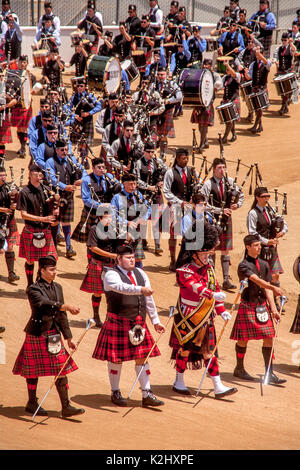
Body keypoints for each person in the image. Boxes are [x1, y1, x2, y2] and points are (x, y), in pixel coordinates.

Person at [169, 222, 238, 398]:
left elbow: (214, 289)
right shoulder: (184, 270)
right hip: (189, 317)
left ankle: (218, 385)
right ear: (194, 253)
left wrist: (221, 310)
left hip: (206, 317)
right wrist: (211, 295)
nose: (208, 255)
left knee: (209, 351)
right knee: (184, 350)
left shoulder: (210, 269)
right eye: (205, 252)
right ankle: (179, 381)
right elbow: (194, 287)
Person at [92, 243, 165, 407]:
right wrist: (140, 289)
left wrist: (156, 321)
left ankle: (147, 393)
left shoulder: (140, 273)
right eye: (128, 258)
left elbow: (149, 299)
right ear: (119, 259)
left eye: (133, 257)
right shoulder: (110, 274)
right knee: (116, 359)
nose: (132, 260)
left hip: (139, 323)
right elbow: (121, 287)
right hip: (119, 321)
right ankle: (115, 391)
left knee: (143, 358)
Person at [12, 255, 85, 418]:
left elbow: (61, 316)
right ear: (42, 270)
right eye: (51, 270)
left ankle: (66, 407)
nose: (54, 273)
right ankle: (31, 403)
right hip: (37, 333)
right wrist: (64, 306)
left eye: (55, 269)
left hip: (53, 334)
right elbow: (43, 303)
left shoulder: (58, 287)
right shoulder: (33, 289)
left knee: (61, 367)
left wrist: (69, 338)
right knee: (32, 371)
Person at [230, 234, 286, 385]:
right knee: (243, 340)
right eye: (256, 245)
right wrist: (274, 287)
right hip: (248, 305)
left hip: (262, 306)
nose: (259, 247)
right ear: (248, 247)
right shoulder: (243, 265)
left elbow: (266, 288)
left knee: (269, 337)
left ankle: (270, 372)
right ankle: (239, 368)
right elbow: (257, 281)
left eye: (260, 245)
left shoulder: (264, 264)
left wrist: (273, 309)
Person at [200, 157, 244, 291]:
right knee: (212, 249)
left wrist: (237, 204)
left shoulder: (230, 182)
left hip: (226, 220)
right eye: (219, 168)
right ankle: (211, 279)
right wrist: (220, 210)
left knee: (225, 250)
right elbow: (203, 204)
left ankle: (225, 280)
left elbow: (240, 195)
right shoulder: (208, 184)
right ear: (213, 169)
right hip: (212, 219)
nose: (222, 170)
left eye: (224, 167)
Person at [247, 186, 288, 311]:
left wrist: (283, 231)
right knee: (262, 277)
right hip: (258, 249)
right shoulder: (253, 213)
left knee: (275, 275)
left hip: (271, 249)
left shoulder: (270, 211)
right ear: (257, 198)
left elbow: (283, 222)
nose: (266, 199)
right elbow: (252, 232)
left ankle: (276, 300)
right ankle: (264, 300)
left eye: (268, 196)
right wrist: (266, 241)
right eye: (264, 197)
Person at [17, 163, 58, 288]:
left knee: (47, 259)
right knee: (30, 260)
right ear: (30, 175)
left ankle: (40, 281)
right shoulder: (24, 192)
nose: (38, 177)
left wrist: (56, 209)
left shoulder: (47, 190)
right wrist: (42, 219)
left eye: (40, 174)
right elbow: (23, 215)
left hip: (45, 230)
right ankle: (30, 284)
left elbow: (53, 208)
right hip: (31, 229)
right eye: (35, 174)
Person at [45, 138, 87, 258]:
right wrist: (65, 187)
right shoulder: (50, 162)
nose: (65, 152)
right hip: (55, 195)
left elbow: (82, 170)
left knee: (66, 221)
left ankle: (69, 247)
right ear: (57, 150)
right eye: (62, 150)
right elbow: (51, 178)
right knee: (55, 221)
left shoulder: (70, 159)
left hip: (69, 195)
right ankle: (53, 247)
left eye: (66, 149)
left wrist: (81, 179)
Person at [80, 210, 118, 328]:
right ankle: (96, 316)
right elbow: (93, 247)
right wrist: (111, 255)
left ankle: (110, 318)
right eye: (107, 218)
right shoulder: (94, 229)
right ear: (100, 218)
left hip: (112, 265)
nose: (109, 220)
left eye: (111, 218)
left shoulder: (113, 229)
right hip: (98, 263)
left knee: (112, 293)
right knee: (98, 292)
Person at [72, 157, 120, 244]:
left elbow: (120, 187)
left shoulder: (109, 177)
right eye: (99, 167)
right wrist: (100, 205)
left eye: (103, 167)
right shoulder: (87, 180)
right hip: (92, 212)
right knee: (91, 240)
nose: (102, 169)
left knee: (108, 238)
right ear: (93, 168)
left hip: (108, 213)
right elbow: (86, 199)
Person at [163, 148, 195, 271]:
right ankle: (172, 260)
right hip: (176, 207)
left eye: (187, 158)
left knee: (187, 234)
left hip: (189, 207)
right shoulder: (170, 173)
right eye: (183, 158)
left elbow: (197, 187)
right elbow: (166, 191)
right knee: (174, 234)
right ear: (177, 158)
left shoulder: (192, 171)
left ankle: (183, 260)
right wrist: (180, 202)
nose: (186, 160)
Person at [110, 173, 151, 268]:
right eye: (131, 184)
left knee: (137, 258)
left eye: (135, 184)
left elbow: (148, 208)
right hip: (122, 232)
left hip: (136, 231)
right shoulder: (117, 197)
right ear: (124, 184)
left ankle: (138, 277)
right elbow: (113, 214)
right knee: (122, 257)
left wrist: (143, 218)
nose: (133, 186)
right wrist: (127, 222)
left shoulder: (138, 195)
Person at [134, 141, 167, 255]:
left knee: (156, 218)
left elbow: (167, 172)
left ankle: (157, 244)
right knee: (143, 219)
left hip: (156, 194)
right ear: (144, 151)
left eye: (153, 151)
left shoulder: (157, 161)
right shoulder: (138, 163)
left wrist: (162, 181)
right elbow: (136, 180)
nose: (151, 154)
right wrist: (149, 187)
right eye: (149, 152)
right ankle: (143, 241)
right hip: (143, 194)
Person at [190, 58, 223, 152]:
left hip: (207, 103)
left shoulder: (215, 75)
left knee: (203, 125)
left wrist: (214, 86)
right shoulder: (199, 74)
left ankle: (201, 145)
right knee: (200, 126)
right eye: (204, 64)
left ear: (211, 66)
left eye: (207, 65)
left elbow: (219, 85)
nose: (205, 66)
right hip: (198, 103)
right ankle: (205, 141)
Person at [10, 55, 37, 158]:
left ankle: (23, 148)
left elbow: (34, 89)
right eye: (21, 62)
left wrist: (32, 91)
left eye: (24, 62)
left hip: (26, 105)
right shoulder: (13, 75)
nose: (22, 64)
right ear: (18, 63)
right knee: (19, 128)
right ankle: (22, 146)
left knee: (23, 127)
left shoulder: (31, 76)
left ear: (27, 63)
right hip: (16, 104)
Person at [244, 44, 271, 134]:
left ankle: (255, 126)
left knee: (259, 108)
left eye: (259, 53)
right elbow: (249, 78)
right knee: (257, 108)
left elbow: (267, 63)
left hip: (262, 88)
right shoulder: (253, 64)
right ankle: (260, 126)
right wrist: (245, 73)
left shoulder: (266, 63)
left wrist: (261, 56)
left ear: (262, 53)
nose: (257, 55)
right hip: (255, 88)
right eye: (256, 54)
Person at [0, 165, 20, 283]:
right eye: (1, 175)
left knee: (10, 246)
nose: (3, 177)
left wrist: (15, 204)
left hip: (8, 221)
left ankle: (11, 273)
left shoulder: (10, 187)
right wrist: (3, 209)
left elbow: (20, 200)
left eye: (4, 175)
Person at [273, 33, 297, 115]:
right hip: (281, 71)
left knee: (287, 90)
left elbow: (294, 50)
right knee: (282, 91)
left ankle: (284, 106)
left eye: (285, 40)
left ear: (287, 40)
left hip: (288, 71)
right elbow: (275, 57)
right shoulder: (278, 49)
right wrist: (275, 61)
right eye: (282, 40)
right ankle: (285, 106)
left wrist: (291, 43)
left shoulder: (290, 48)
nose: (283, 42)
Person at [219, 60, 241, 143]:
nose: (227, 70)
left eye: (228, 69)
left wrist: (228, 65)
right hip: (226, 101)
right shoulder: (225, 78)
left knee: (230, 120)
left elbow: (234, 74)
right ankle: (234, 134)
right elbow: (220, 86)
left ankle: (225, 137)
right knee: (229, 120)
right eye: (226, 69)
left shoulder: (237, 76)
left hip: (233, 100)